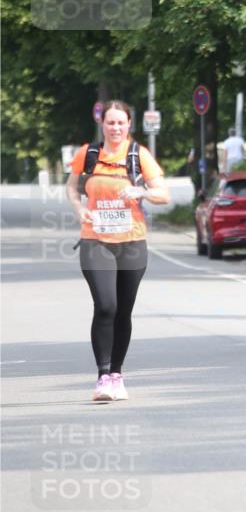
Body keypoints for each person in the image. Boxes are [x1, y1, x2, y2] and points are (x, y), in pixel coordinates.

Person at [67, 100, 170, 402]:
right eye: (110, 123)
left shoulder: (139, 155)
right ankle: (102, 377)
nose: (115, 128)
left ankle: (117, 374)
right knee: (106, 306)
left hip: (132, 244)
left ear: (129, 125)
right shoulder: (88, 154)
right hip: (95, 240)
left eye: (120, 123)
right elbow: (73, 188)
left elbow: (164, 195)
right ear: (103, 124)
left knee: (123, 311)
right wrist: (78, 209)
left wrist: (142, 192)